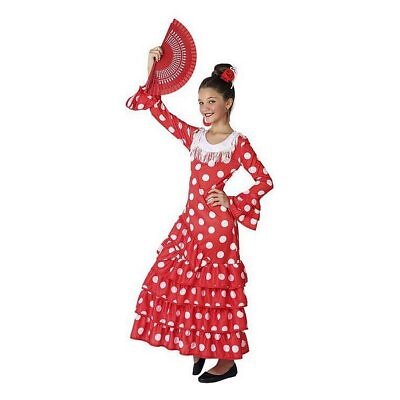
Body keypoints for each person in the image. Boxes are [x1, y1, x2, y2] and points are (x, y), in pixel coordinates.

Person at [127, 46, 274, 383]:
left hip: (217, 230)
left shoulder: (238, 144)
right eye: (200, 102)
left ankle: (227, 361)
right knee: (186, 285)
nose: (205, 108)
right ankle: (199, 344)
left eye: (211, 101)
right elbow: (158, 110)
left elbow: (265, 181)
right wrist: (151, 70)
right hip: (190, 225)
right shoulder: (195, 137)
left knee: (216, 292)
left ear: (228, 103)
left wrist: (231, 201)